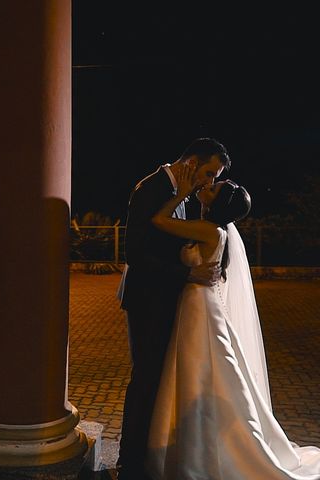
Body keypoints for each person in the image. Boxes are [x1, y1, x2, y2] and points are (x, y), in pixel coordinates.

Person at [146, 165, 320, 479]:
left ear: (218, 204)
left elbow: (158, 221)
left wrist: (183, 193)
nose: (207, 185)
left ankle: (200, 452)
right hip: (199, 302)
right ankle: (198, 444)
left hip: (200, 306)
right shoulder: (213, 227)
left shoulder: (209, 230)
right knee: (207, 369)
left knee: (198, 369)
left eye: (213, 188)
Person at [116, 138, 231, 480]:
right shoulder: (151, 188)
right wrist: (186, 272)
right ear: (192, 162)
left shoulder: (177, 192)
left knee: (155, 379)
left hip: (164, 297)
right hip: (147, 299)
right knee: (145, 378)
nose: (210, 181)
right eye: (209, 172)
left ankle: (146, 451)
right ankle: (130, 461)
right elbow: (134, 254)